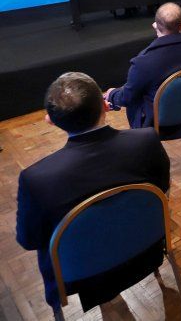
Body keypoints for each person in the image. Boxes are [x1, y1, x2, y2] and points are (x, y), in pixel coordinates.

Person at [16, 72, 170, 315]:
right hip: (146, 249)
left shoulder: (36, 179)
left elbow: (28, 240)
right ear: (105, 106)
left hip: (82, 274)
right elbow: (163, 191)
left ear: (51, 121)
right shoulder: (146, 141)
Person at [105, 3, 181, 129]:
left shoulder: (142, 62)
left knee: (134, 98)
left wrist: (112, 94)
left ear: (155, 25)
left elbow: (127, 98)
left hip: (159, 126)